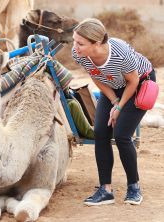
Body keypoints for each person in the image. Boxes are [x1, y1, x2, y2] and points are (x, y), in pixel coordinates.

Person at [71, 18, 156, 206]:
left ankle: (134, 188)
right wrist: (114, 101)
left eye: (80, 43)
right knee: (101, 132)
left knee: (122, 135)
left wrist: (119, 108)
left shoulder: (119, 54)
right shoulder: (79, 54)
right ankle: (106, 190)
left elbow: (133, 82)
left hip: (138, 83)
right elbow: (96, 76)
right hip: (111, 87)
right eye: (74, 40)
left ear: (97, 43)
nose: (75, 47)